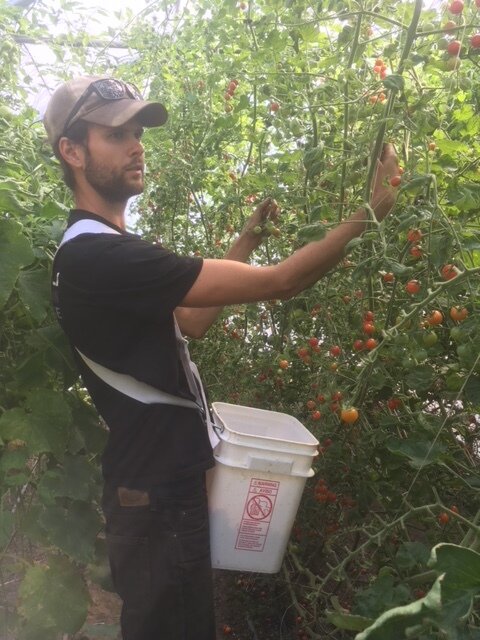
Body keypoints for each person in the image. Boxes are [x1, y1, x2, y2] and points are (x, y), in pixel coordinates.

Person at [43, 75, 399, 640]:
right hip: (156, 496)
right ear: (73, 150)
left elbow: (191, 322)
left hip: (154, 487)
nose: (136, 145)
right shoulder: (101, 258)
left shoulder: (95, 252)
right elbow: (283, 284)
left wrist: (248, 239)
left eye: (138, 132)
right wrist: (370, 213)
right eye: (116, 135)